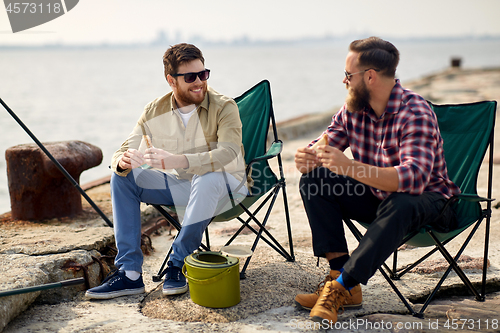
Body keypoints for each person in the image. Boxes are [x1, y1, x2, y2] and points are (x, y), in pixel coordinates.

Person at [294, 37, 460, 324]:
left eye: (348, 75)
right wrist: (308, 158)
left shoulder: (415, 112)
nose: (343, 81)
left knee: (402, 201)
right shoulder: (352, 110)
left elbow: (414, 178)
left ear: (369, 77)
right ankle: (344, 280)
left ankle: (339, 288)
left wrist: (350, 167)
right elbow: (323, 146)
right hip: (379, 198)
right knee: (316, 181)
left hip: (431, 204)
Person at [85, 43, 250, 299]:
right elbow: (124, 147)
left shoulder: (224, 107)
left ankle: (178, 262)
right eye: (191, 77)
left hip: (228, 188)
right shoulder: (155, 110)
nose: (199, 82)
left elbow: (228, 154)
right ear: (171, 80)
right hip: (185, 189)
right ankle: (129, 273)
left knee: (208, 177)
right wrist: (125, 160)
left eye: (203, 74)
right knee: (122, 177)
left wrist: (179, 160)